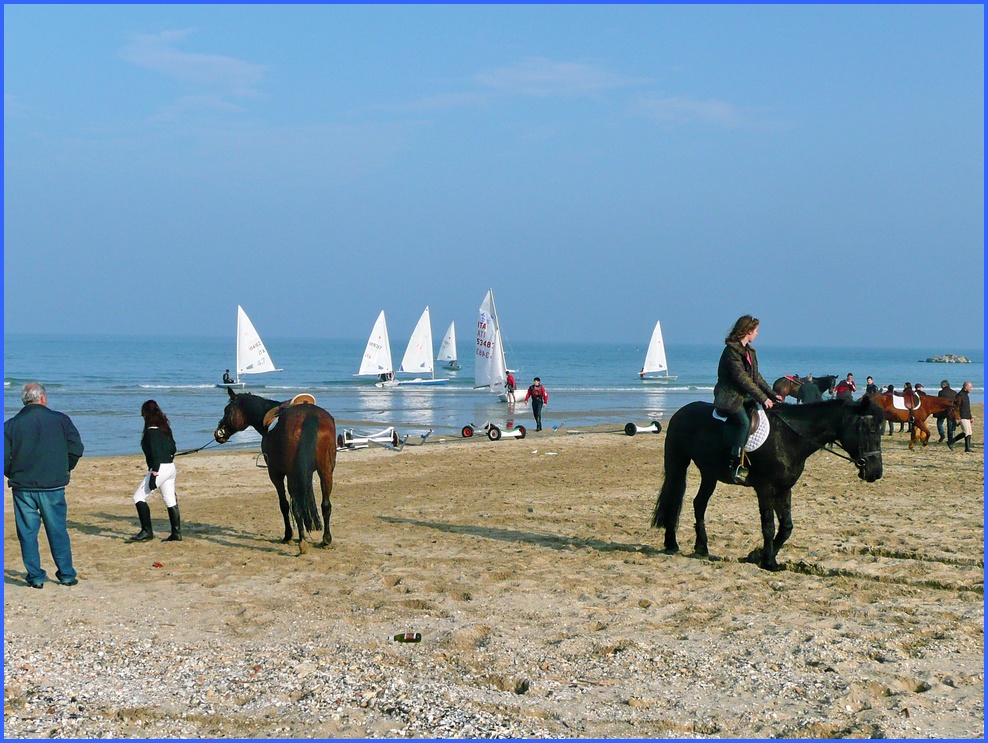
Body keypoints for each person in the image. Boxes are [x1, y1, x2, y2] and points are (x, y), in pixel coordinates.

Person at [4, 382, 84, 588]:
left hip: (29, 485)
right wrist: (64, 468)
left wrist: (65, 468)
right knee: (56, 529)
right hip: (43, 485)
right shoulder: (59, 420)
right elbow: (75, 448)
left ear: (25, 400)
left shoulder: (11, 424)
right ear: (43, 399)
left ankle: (39, 576)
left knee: (28, 533)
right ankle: (63, 574)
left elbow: (4, 458)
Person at [712, 315, 783, 485]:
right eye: (756, 331)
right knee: (744, 422)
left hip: (744, 396)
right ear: (748, 331)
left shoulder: (750, 352)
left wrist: (772, 394)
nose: (757, 334)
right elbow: (742, 379)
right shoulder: (731, 352)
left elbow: (756, 377)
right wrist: (762, 398)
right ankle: (735, 464)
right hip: (729, 397)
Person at [129, 400, 181, 542]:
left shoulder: (150, 433)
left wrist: (154, 474)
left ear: (146, 415)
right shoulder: (165, 429)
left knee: (138, 497)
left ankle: (147, 531)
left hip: (160, 469)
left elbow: (155, 454)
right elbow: (173, 449)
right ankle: (176, 533)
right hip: (171, 467)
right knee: (170, 500)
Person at [949, 381, 974, 453]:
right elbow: (956, 407)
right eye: (970, 387)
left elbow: (967, 407)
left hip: (967, 416)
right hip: (962, 416)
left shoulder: (966, 395)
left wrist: (971, 417)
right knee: (966, 432)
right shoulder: (960, 395)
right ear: (966, 387)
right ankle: (951, 441)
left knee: (969, 432)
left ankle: (967, 448)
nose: (971, 389)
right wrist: (957, 417)